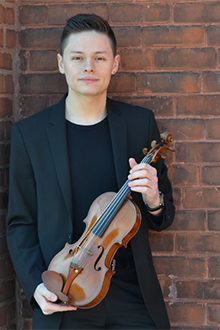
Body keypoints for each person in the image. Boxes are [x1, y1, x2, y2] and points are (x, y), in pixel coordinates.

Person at [7, 14, 175, 330]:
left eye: (99, 57)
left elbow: (163, 216)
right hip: (65, 293)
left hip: (131, 294)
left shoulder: (139, 125)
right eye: (78, 57)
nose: (89, 66)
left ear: (114, 64)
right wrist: (36, 287)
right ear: (61, 64)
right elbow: (20, 222)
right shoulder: (30, 135)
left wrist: (154, 198)